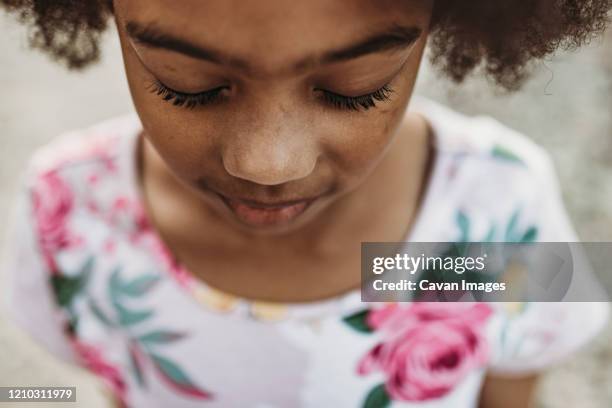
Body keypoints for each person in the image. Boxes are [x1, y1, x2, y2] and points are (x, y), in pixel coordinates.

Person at [2, 1, 610, 407]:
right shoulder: (69, 214)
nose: (268, 164)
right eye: (186, 84)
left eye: (356, 89)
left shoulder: (497, 212)